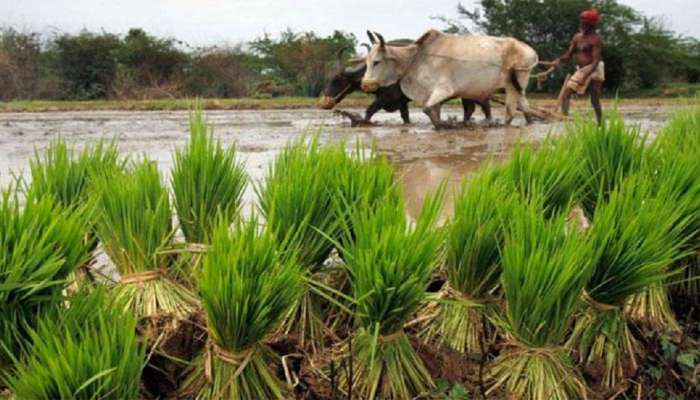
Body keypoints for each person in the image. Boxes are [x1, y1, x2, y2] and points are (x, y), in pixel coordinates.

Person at [552, 8, 604, 124]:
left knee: (594, 100)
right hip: (581, 70)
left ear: (590, 25)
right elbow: (569, 54)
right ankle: (565, 120)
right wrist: (559, 60)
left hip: (595, 69)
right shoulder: (577, 37)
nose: (581, 24)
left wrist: (585, 75)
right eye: (581, 22)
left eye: (584, 23)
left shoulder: (596, 39)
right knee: (566, 95)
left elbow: (595, 61)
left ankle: (600, 124)